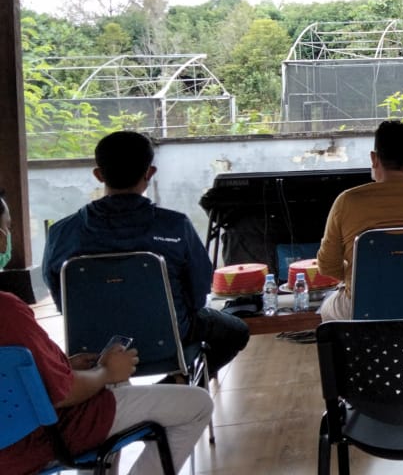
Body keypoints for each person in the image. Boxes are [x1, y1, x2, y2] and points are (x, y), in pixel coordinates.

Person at [1, 193, 213, 475]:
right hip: (37, 441)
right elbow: (64, 394)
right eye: (8, 227)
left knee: (117, 384)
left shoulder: (63, 233)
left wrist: (64, 365)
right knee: (198, 404)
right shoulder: (7, 309)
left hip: (14, 441)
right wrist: (106, 372)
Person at [43, 131, 249, 379]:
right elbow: (199, 292)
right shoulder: (175, 226)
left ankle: (107, 387)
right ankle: (179, 381)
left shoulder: (62, 233)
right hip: (169, 339)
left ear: (98, 175)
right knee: (236, 330)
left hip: (93, 349)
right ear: (150, 173)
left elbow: (62, 302)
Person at [316, 120, 403, 321]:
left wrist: (360, 277)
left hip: (362, 303)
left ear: (374, 159)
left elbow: (327, 265)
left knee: (326, 309)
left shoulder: (347, 201)